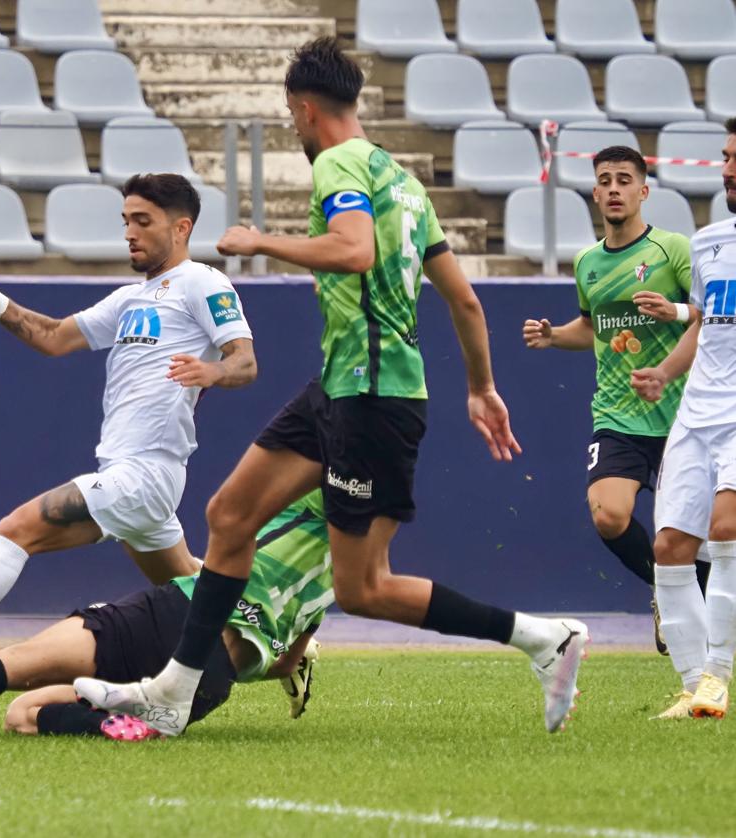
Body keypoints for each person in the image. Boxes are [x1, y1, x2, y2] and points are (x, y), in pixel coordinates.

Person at [73, 37, 589, 737]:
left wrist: (261, 244)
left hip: (373, 397)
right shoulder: (403, 183)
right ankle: (174, 687)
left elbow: (353, 249)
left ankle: (541, 637)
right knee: (229, 517)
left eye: (290, 115)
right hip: (341, 389)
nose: (293, 126)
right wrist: (480, 387)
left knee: (363, 587)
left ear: (305, 108)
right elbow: (464, 302)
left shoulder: (339, 163)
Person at [0, 173, 256, 664]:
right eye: (126, 221)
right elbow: (54, 337)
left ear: (181, 228)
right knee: (190, 582)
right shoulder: (129, 299)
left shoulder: (204, 282)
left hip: (146, 472)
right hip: (130, 473)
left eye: (143, 221)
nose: (129, 232)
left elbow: (245, 362)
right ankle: (282, 639)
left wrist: (210, 370)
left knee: (17, 529)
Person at [0, 491, 332, 742]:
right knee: (23, 715)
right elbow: (284, 666)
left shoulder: (306, 498)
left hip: (178, 614)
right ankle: (110, 722)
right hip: (206, 682)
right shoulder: (336, 585)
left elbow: (234, 514)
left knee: (16, 669)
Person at [522, 145, 699, 654]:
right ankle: (666, 592)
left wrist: (675, 311)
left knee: (701, 535)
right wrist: (556, 335)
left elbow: (709, 314)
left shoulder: (672, 250)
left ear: (644, 191)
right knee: (608, 514)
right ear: (595, 193)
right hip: (618, 415)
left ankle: (695, 604)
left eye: (625, 179)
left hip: (682, 415)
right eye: (606, 180)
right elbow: (595, 325)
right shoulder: (587, 262)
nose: (615, 188)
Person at [630, 117, 736, 720]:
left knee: (726, 531)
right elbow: (703, 321)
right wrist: (665, 374)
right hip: (697, 414)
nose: (726, 168)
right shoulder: (708, 241)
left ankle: (718, 677)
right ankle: (694, 685)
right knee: (669, 548)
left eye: (734, 159)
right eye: (724, 157)